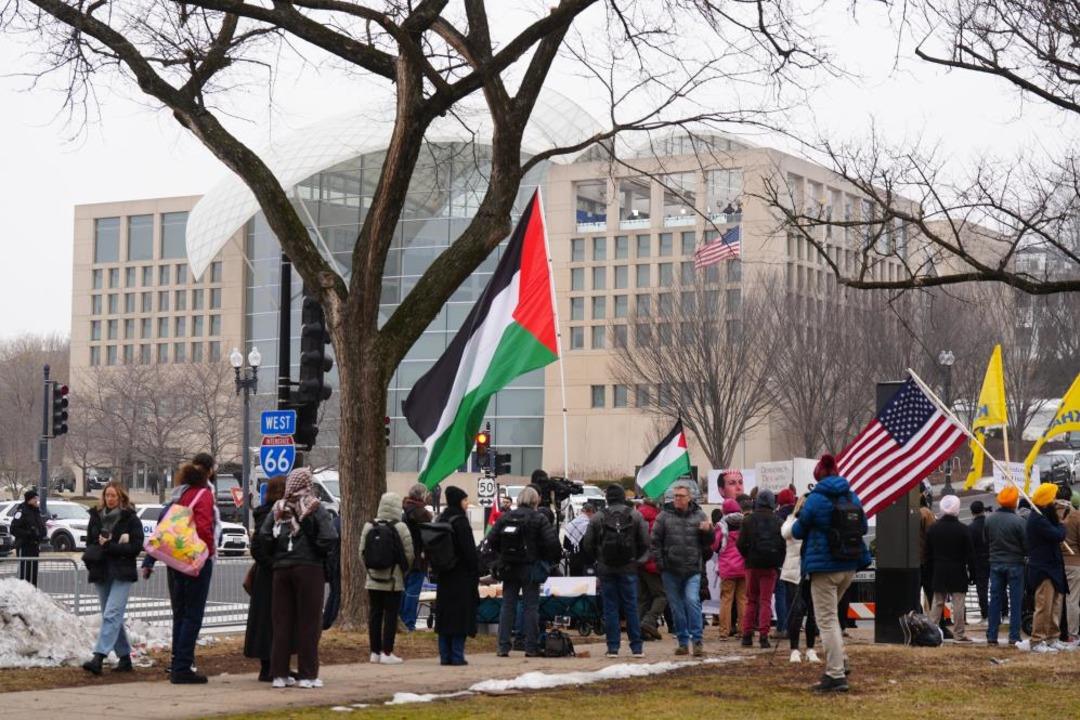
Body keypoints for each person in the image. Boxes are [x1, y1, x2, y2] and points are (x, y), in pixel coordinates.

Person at [791, 454, 870, 693]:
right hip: (849, 564)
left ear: (818, 477)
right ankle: (841, 661)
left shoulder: (815, 499)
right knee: (832, 618)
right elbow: (864, 526)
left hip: (824, 568)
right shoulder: (851, 495)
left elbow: (797, 530)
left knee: (825, 621)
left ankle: (835, 675)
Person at [261, 467, 338, 687]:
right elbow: (329, 536)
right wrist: (319, 552)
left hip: (281, 569)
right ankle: (307, 674)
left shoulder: (279, 507)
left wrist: (276, 554)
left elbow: (265, 535)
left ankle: (279, 674)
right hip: (309, 568)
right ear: (307, 483)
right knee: (309, 622)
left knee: (282, 622)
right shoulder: (314, 507)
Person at [160, 460, 220, 684]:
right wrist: (208, 552)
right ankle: (183, 666)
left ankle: (177, 660)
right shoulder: (203, 495)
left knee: (182, 612)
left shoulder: (181, 495)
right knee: (193, 615)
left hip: (177, 559)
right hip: (195, 559)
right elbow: (204, 527)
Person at [490, 485, 560, 657]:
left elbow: (491, 539)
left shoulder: (506, 517)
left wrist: (503, 554)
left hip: (509, 567)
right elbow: (552, 544)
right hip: (530, 567)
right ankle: (530, 647)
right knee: (531, 607)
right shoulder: (539, 518)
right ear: (535, 501)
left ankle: (503, 646)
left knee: (507, 606)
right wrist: (546, 558)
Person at [82, 481, 143, 675]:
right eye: (107, 495)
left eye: (113, 496)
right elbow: (90, 542)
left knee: (111, 614)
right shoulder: (96, 517)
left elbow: (135, 547)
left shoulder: (130, 519)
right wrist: (95, 552)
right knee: (111, 616)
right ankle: (125, 658)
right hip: (101, 570)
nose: (110, 499)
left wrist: (111, 546)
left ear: (121, 498)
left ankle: (99, 656)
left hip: (122, 572)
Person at [582, 484, 650, 658]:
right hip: (629, 567)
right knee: (631, 607)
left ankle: (613, 647)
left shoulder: (598, 517)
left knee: (610, 608)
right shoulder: (635, 515)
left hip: (606, 568)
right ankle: (637, 647)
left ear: (607, 498)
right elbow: (645, 542)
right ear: (623, 497)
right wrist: (638, 562)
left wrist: (599, 559)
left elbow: (587, 544)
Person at [652, 483, 713, 657]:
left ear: (689, 498)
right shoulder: (663, 516)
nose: (677, 498)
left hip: (692, 568)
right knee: (677, 608)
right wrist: (661, 564)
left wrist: (708, 531)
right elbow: (655, 542)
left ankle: (698, 641)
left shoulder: (700, 515)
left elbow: (709, 542)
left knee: (692, 601)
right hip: (670, 570)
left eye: (681, 495)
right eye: (675, 495)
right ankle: (683, 642)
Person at [361, 491, 414, 664]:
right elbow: (409, 554)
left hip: (372, 580)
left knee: (374, 614)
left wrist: (370, 571)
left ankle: (374, 652)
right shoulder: (400, 527)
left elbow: (361, 552)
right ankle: (387, 651)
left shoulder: (369, 526)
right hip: (393, 580)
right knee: (391, 615)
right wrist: (402, 571)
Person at [245, 476, 286, 681]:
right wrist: (274, 564)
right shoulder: (274, 514)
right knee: (275, 620)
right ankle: (272, 666)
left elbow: (256, 547)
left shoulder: (262, 513)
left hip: (264, 574)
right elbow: (258, 546)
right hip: (272, 573)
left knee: (265, 621)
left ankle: (269, 666)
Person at [434, 486, 480, 665]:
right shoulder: (460, 522)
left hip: (444, 575)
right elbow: (469, 553)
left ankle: (445, 656)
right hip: (461, 576)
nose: (467, 504)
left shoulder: (441, 519)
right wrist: (475, 571)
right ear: (458, 501)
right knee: (460, 617)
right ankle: (457, 655)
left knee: (445, 617)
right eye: (465, 500)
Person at [1021, 483, 1069, 653]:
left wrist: (1057, 519)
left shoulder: (1045, 516)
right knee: (1044, 605)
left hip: (1053, 565)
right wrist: (1061, 520)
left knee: (1056, 604)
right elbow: (1058, 534)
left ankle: (1052, 637)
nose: (1057, 501)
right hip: (1043, 568)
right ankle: (1037, 640)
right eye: (1054, 497)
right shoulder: (1037, 519)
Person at [737, 489, 785, 648]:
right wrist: (778, 560)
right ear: (773, 503)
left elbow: (740, 544)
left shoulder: (748, 520)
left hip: (752, 564)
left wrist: (748, 556)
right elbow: (783, 545)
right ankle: (764, 636)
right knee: (765, 601)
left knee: (751, 600)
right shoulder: (778, 521)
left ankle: (747, 635)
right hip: (771, 566)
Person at [925, 495, 974, 643]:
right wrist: (972, 572)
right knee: (958, 602)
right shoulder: (963, 529)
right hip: (958, 568)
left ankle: (932, 631)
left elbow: (928, 552)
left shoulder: (933, 529)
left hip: (939, 568)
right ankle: (959, 634)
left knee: (937, 601)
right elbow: (970, 554)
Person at [985, 485, 1027, 647]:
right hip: (1015, 564)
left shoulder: (990, 520)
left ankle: (992, 634)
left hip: (995, 563)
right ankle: (1014, 636)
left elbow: (986, 539)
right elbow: (1026, 545)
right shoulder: (1019, 522)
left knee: (995, 599)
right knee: (1016, 601)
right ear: (1014, 502)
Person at [782, 495, 819, 664]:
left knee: (813, 612)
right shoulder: (791, 521)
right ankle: (794, 649)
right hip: (794, 573)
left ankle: (811, 648)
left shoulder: (816, 524)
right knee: (796, 612)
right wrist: (801, 520)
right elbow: (786, 533)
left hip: (811, 571)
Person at [400, 484, 433, 632]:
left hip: (406, 558)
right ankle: (409, 623)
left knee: (405, 590)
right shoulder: (419, 514)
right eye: (426, 494)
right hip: (417, 559)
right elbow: (427, 536)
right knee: (412, 593)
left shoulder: (406, 510)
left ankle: (402, 620)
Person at [713, 498, 746, 640]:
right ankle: (743, 630)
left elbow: (715, 545)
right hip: (743, 566)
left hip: (727, 566)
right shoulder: (745, 522)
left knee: (726, 599)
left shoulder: (721, 525)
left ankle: (724, 631)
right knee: (742, 599)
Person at [637, 497, 667, 640]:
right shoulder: (656, 518)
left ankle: (639, 630)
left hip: (639, 562)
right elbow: (658, 542)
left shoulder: (637, 515)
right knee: (661, 595)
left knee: (643, 598)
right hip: (652, 562)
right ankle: (648, 621)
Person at [773, 488, 798, 639]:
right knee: (794, 596)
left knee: (781, 595)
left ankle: (781, 627)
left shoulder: (777, 517)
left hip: (781, 561)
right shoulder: (798, 516)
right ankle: (794, 626)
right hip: (796, 560)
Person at [10, 489, 47, 586]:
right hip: (24, 546)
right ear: (29, 500)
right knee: (25, 574)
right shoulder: (21, 511)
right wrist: (28, 534)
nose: (37, 500)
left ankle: (32, 594)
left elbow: (40, 526)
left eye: (37, 498)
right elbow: (13, 529)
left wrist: (42, 533)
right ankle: (23, 595)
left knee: (33, 574)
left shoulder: (36, 511)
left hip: (34, 546)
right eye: (35, 498)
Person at [967, 500, 991, 621]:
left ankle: (985, 614)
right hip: (993, 557)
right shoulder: (991, 523)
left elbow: (969, 550)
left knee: (982, 589)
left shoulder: (970, 528)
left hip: (978, 560)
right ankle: (1004, 613)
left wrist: (971, 571)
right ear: (983, 510)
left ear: (972, 513)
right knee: (999, 586)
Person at [563, 501, 597, 577]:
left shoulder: (571, 524)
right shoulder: (590, 526)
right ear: (590, 512)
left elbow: (566, 545)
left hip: (573, 561)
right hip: (587, 562)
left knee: (575, 585)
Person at [1064, 492, 1080, 642]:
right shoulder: (1076, 517)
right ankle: (1073, 634)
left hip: (1056, 562)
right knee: (1073, 600)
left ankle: (1056, 632)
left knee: (1056, 600)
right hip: (1074, 562)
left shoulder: (1054, 515)